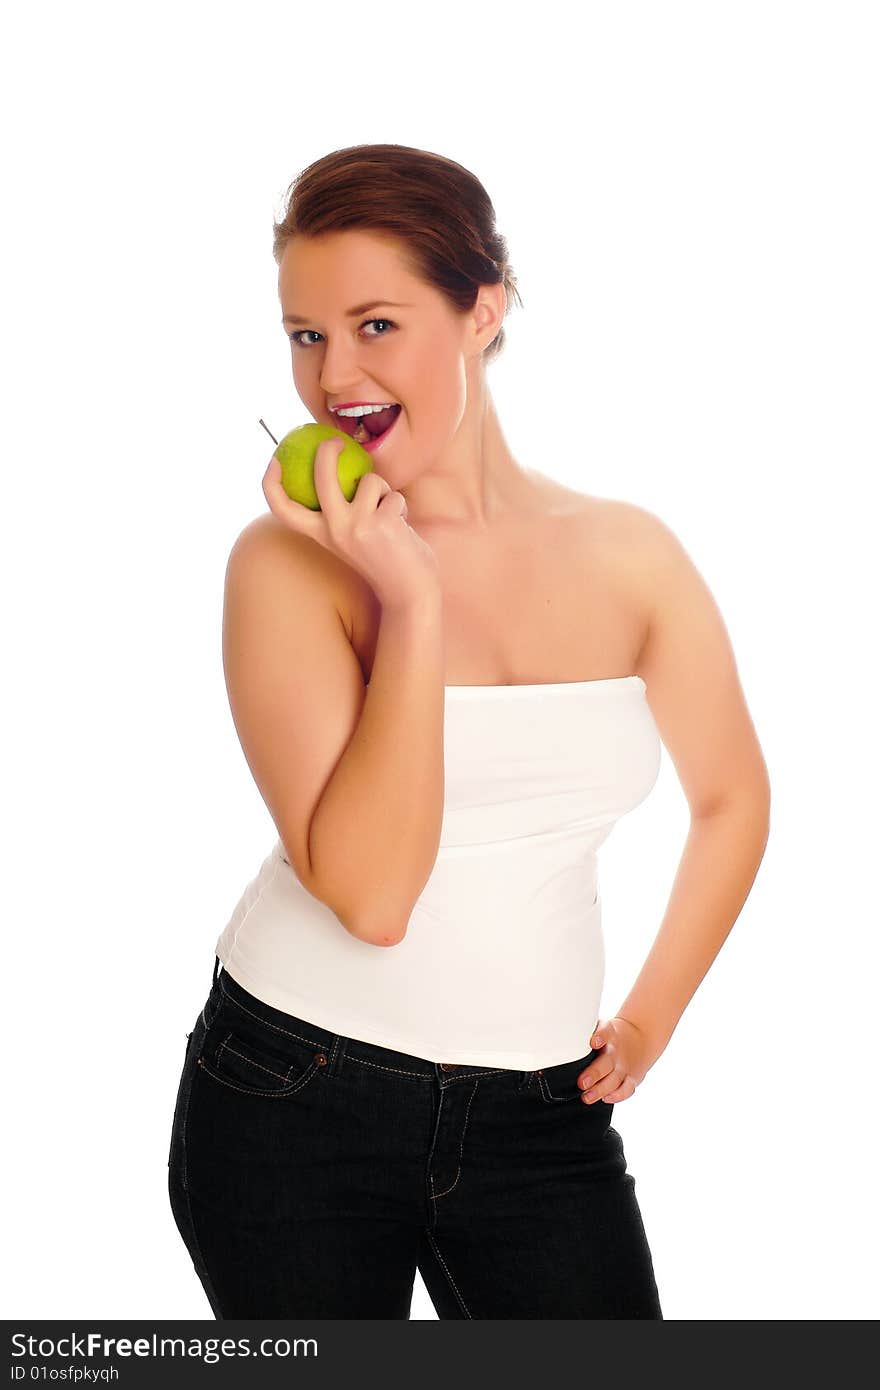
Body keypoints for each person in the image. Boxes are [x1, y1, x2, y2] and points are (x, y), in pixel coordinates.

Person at [167, 143, 771, 1319]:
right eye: (304, 335)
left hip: (544, 1118)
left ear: (482, 309)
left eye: (375, 324)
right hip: (294, 1096)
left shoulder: (629, 553)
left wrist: (649, 1015)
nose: (333, 373)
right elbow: (372, 895)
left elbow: (732, 799)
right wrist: (414, 597)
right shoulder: (287, 569)